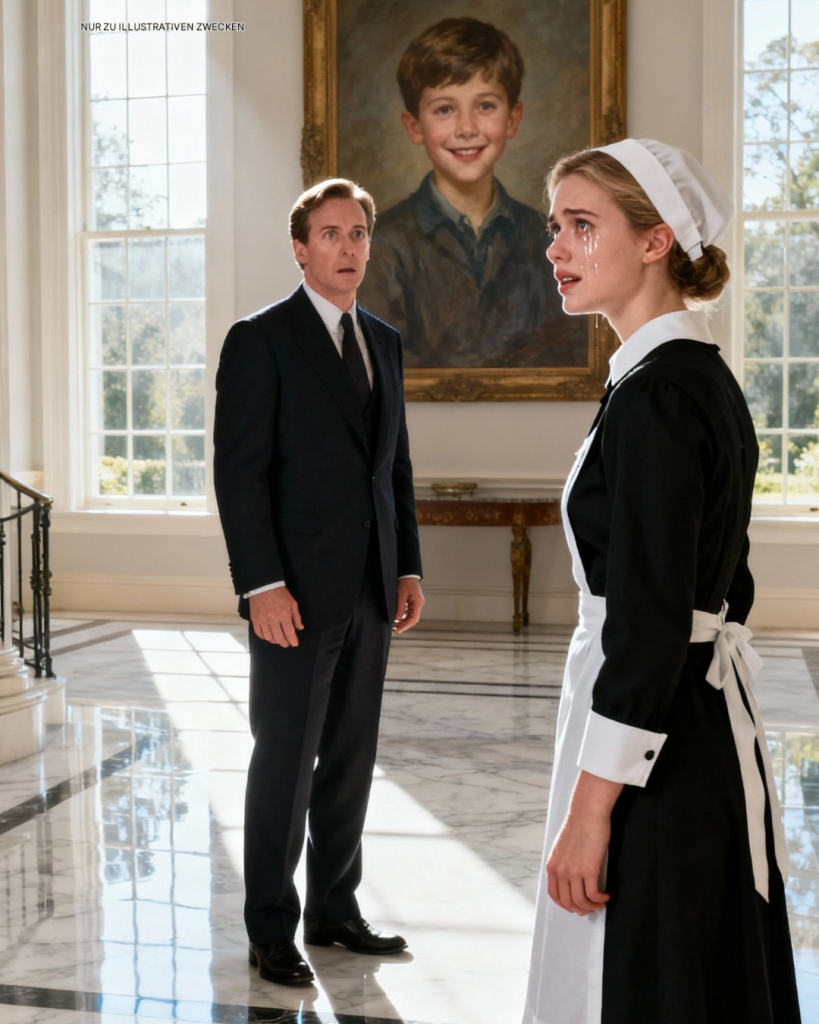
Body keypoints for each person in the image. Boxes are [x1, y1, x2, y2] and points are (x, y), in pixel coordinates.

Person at [524, 140, 801, 1023]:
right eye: (553, 227)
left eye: (580, 224)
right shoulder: (690, 376)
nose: (555, 247)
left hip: (658, 743)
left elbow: (647, 626)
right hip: (692, 723)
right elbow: (720, 585)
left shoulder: (655, 395)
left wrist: (588, 812)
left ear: (654, 242)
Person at [214, 178, 424, 987]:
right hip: (292, 595)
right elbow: (240, 474)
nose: (347, 247)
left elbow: (393, 469)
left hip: (370, 588)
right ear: (300, 249)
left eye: (357, 233)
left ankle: (334, 908)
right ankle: (270, 925)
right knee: (285, 758)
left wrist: (405, 565)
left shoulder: (384, 341)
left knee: (349, 756)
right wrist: (261, 584)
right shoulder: (260, 339)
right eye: (330, 234)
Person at [356, 16, 578, 369]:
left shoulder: (546, 239)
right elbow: (382, 361)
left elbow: (566, 351)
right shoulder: (383, 245)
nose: (466, 128)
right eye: (444, 109)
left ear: (513, 118)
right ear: (414, 126)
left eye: (485, 106)